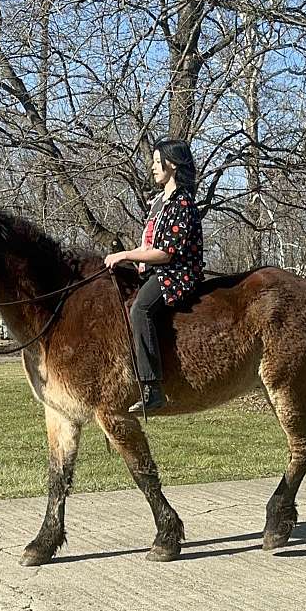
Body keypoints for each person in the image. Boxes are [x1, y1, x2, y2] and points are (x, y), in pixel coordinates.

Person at [104, 137, 204, 413]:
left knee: (140, 310)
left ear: (172, 165)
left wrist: (125, 255)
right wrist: (129, 260)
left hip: (177, 273)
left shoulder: (182, 203)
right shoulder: (159, 202)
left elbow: (165, 253)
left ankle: (151, 387)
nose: (152, 166)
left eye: (158, 162)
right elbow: (148, 246)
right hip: (156, 271)